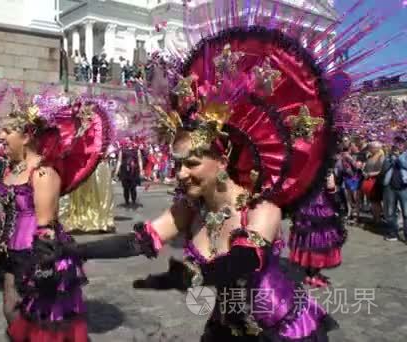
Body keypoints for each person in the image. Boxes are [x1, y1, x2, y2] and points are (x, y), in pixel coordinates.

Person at [32, 13, 354, 340]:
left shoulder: (260, 206)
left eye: (193, 163)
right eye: (178, 164)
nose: (181, 174)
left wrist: (195, 275)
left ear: (223, 158)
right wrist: (77, 251)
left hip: (279, 331)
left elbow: (245, 260)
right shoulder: (191, 207)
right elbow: (138, 241)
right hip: (224, 327)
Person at [0, 94, 111, 341]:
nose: (0, 136)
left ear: (25, 137)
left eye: (6, 131)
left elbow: (44, 226)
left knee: (40, 322)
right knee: (9, 307)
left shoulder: (44, 173)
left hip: (36, 254)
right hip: (9, 250)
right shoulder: (12, 167)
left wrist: (39, 269)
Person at [289, 171, 347, 288]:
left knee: (306, 241)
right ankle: (313, 275)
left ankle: (308, 275)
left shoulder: (307, 167)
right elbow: (330, 188)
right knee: (320, 243)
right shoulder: (327, 170)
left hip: (305, 208)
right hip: (321, 208)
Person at [380, 136, 407, 241]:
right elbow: (383, 170)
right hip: (390, 187)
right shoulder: (388, 156)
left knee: (406, 213)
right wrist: (390, 159)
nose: (398, 146)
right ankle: (392, 233)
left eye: (401, 143)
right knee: (390, 212)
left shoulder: (404, 155)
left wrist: (399, 157)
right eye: (396, 143)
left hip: (404, 187)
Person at [115, 138, 142, 208]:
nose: (127, 141)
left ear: (132, 141)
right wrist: (116, 171)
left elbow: (139, 160)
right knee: (125, 188)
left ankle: (133, 201)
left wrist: (141, 170)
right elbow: (119, 161)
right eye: (126, 140)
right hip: (125, 171)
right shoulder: (122, 150)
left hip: (134, 171)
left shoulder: (137, 150)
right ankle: (126, 201)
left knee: (133, 187)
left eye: (129, 140)